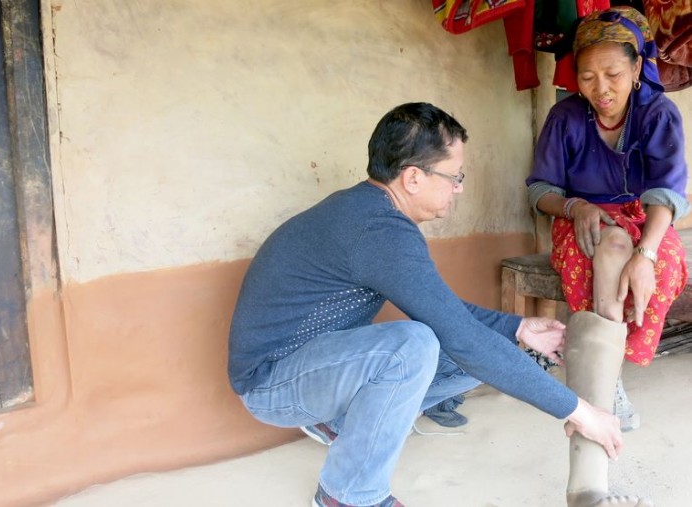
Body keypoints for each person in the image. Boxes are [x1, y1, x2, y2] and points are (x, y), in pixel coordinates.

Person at [229, 102, 626, 507]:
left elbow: (445, 313)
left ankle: (341, 422)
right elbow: (461, 338)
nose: (459, 187)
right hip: (271, 382)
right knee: (412, 346)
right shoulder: (377, 231)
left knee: (482, 342)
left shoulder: (372, 212)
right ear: (414, 178)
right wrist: (579, 411)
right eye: (455, 176)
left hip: (319, 364)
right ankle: (347, 495)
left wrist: (518, 329)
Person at [526, 6, 688, 507]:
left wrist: (646, 252)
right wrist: (574, 206)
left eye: (614, 74)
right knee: (608, 245)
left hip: (650, 221)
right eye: (589, 76)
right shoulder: (565, 116)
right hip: (582, 222)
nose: (602, 88)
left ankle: (600, 393)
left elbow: (667, 193)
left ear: (637, 68)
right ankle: (595, 455)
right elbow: (540, 190)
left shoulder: (658, 114)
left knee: (639, 258)